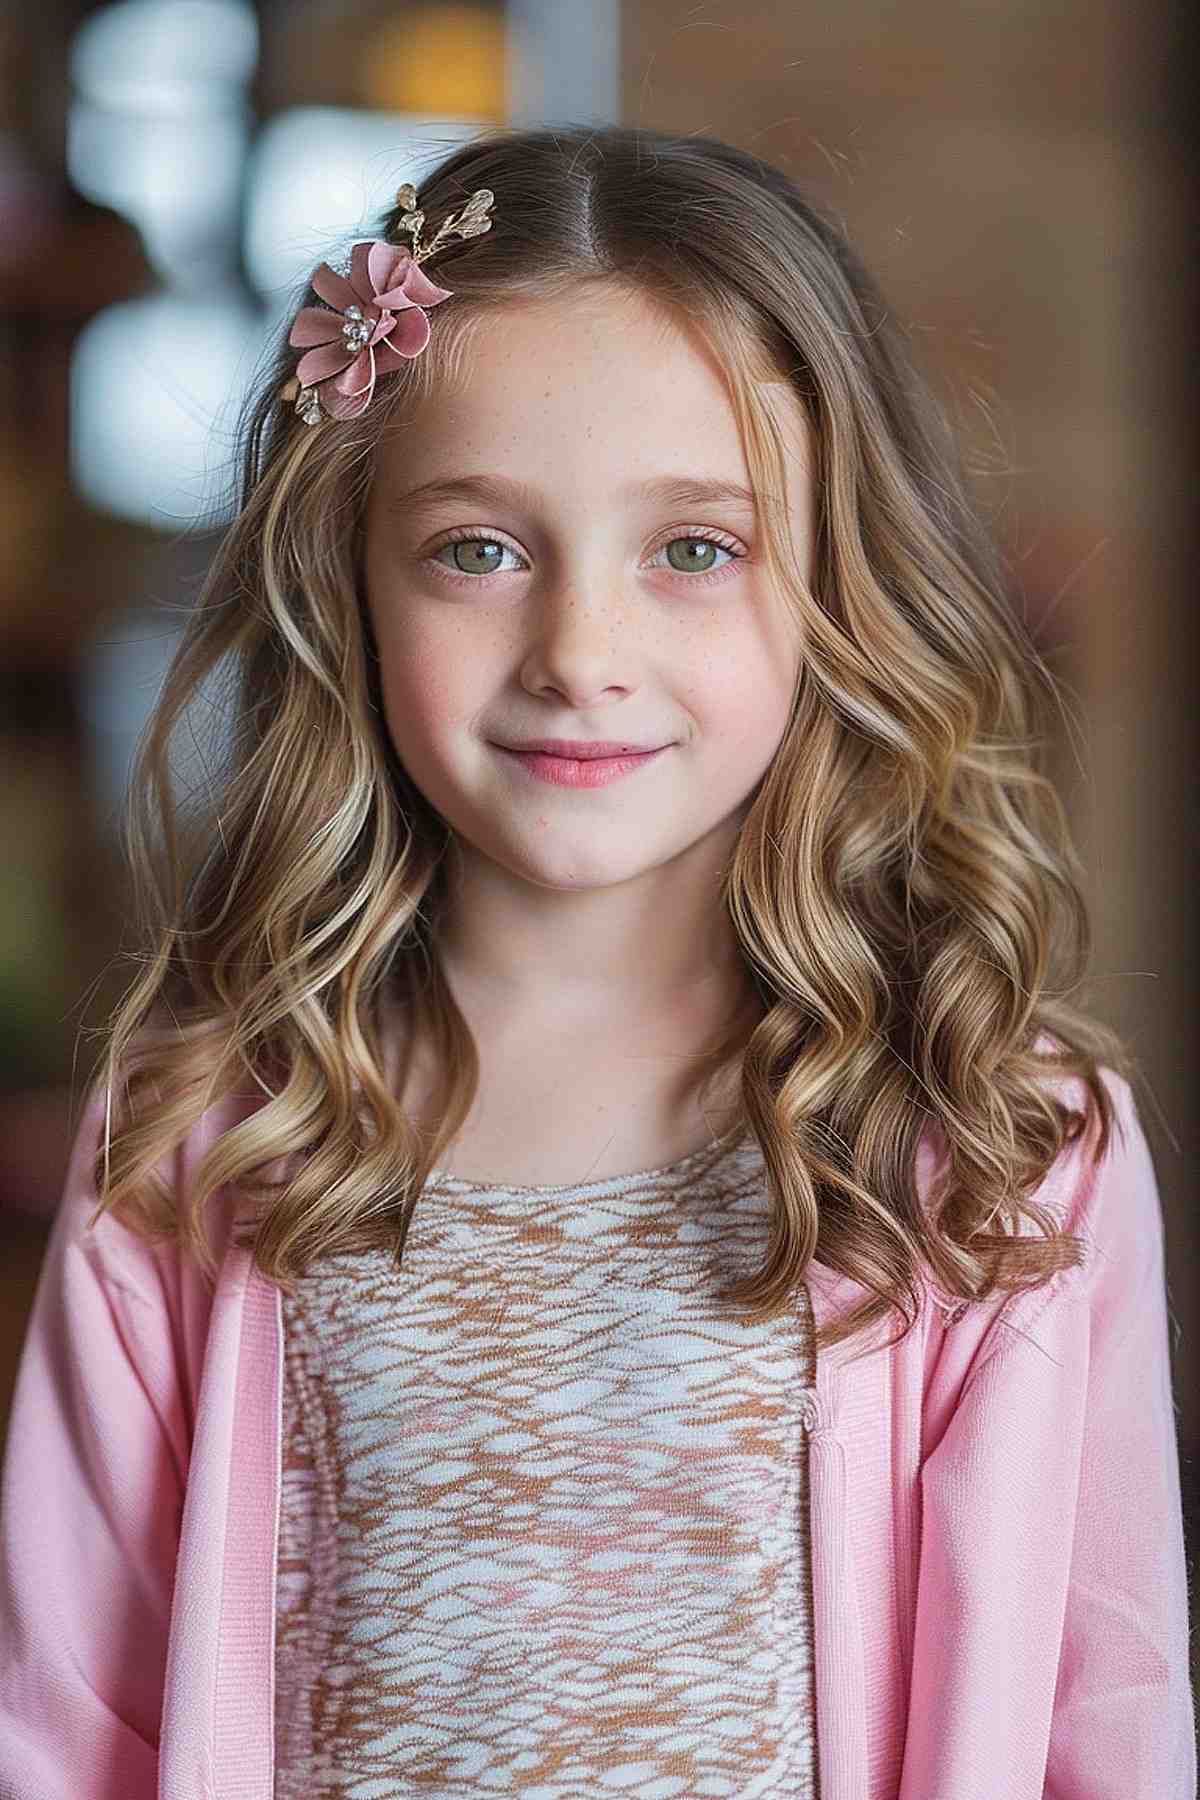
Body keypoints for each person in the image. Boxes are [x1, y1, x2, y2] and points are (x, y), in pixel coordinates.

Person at [0, 123, 1193, 1800]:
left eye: (693, 548)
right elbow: (67, 1723)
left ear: (839, 585)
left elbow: (1102, 1718)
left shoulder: (999, 1148)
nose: (578, 654)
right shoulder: (205, 1134)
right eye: (477, 550)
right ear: (349, 583)